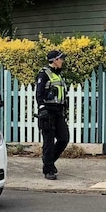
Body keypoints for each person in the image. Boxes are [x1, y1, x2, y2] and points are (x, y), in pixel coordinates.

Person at [36, 50, 70, 180]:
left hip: (58, 112)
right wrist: (42, 108)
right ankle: (48, 169)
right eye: (60, 59)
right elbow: (39, 94)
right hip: (47, 113)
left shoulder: (59, 75)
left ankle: (48, 161)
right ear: (55, 60)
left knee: (64, 138)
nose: (62, 61)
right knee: (49, 141)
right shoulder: (44, 74)